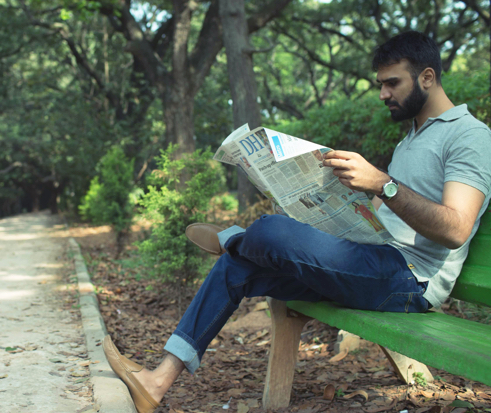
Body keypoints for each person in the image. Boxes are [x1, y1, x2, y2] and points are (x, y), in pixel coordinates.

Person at [103, 31, 491, 413]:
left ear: (427, 77)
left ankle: (238, 238)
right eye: (380, 84)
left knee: (270, 231)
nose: (382, 94)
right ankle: (157, 382)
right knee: (237, 264)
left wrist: (383, 183)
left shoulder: (469, 137)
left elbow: (455, 229)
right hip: (375, 260)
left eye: (392, 83)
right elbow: (391, 212)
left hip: (410, 280)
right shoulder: (412, 138)